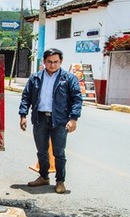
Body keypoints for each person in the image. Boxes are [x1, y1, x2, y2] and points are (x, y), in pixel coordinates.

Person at [18, 48, 83, 194]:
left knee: (59, 153)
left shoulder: (68, 78)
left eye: (56, 62)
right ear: (44, 61)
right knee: (41, 151)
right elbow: (26, 97)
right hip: (39, 118)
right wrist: (23, 115)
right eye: (49, 62)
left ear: (61, 62)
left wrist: (73, 118)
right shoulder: (35, 78)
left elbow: (77, 99)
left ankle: (60, 181)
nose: (52, 65)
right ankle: (43, 176)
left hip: (59, 120)